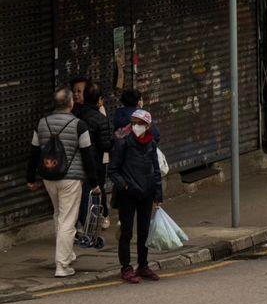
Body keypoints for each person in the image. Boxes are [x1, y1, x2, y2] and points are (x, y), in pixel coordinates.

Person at [27, 88, 98, 279]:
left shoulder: (42, 123)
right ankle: (62, 264)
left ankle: (67, 253)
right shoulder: (79, 125)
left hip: (49, 177)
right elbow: (87, 155)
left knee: (59, 214)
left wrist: (30, 178)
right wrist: (94, 182)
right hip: (71, 178)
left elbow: (34, 152)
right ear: (70, 103)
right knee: (68, 220)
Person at [108, 108, 164, 283]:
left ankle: (143, 265)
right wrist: (124, 186)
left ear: (148, 126)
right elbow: (113, 170)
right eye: (134, 123)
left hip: (146, 194)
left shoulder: (151, 144)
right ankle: (126, 267)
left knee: (144, 232)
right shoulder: (123, 142)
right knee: (126, 232)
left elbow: (156, 170)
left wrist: (157, 194)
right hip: (128, 194)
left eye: (140, 124)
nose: (136, 126)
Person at [73, 83, 112, 253]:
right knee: (92, 195)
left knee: (78, 197)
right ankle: (90, 232)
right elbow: (105, 145)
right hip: (94, 164)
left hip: (74, 165)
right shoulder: (100, 119)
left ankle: (79, 228)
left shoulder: (75, 115)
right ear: (99, 100)